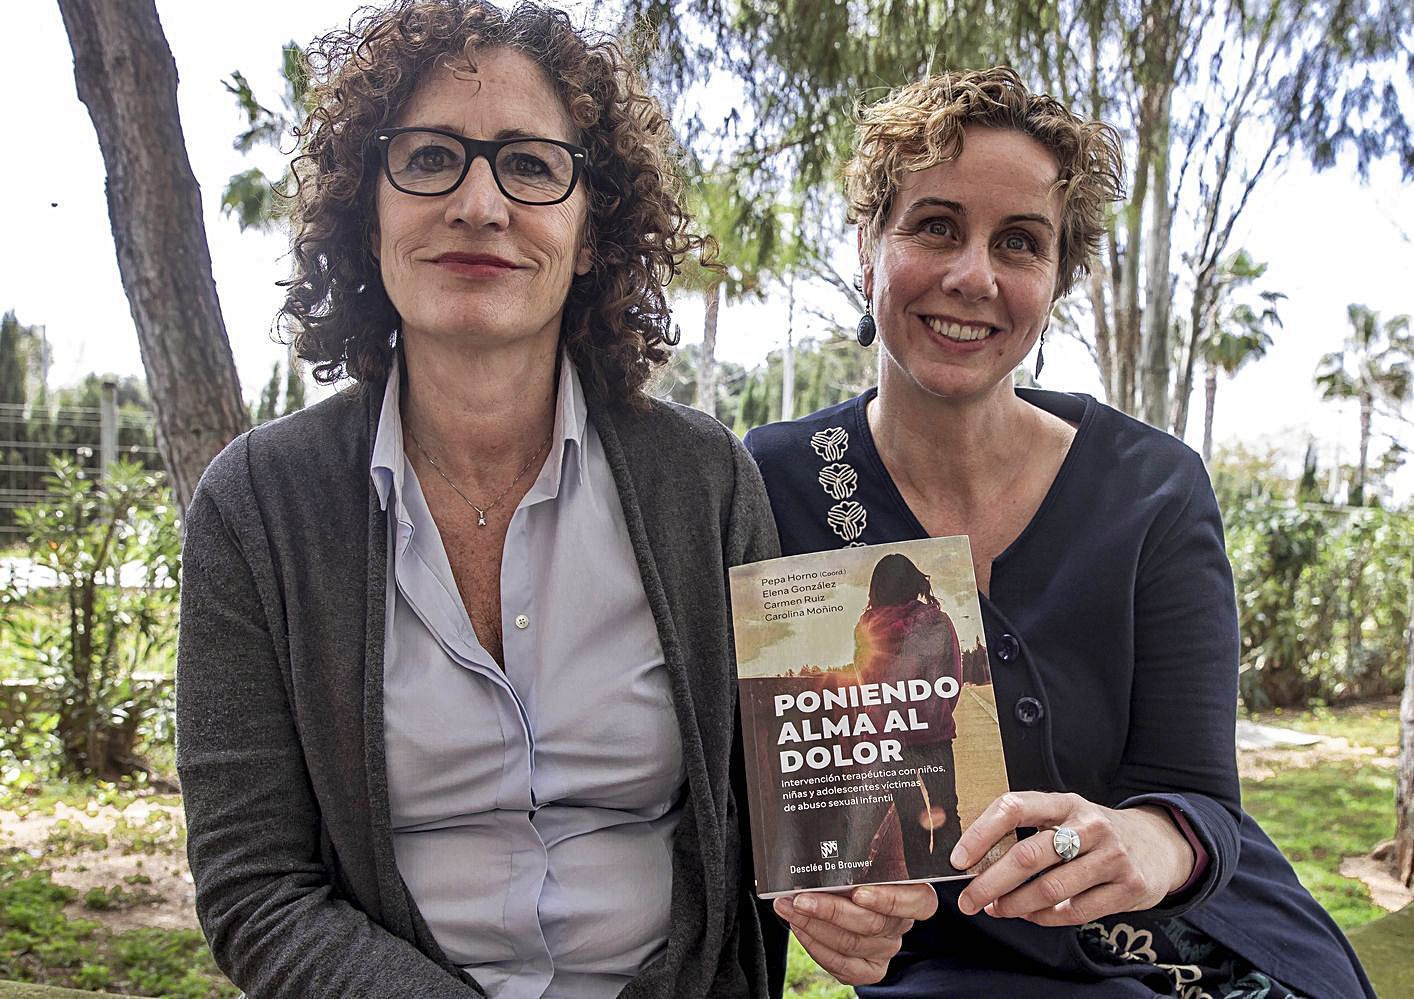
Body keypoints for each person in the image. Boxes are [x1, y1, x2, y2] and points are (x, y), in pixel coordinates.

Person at [174, 2, 933, 996]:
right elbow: (257, 891)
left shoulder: (703, 482)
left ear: (589, 235)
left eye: (531, 165)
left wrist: (857, 898)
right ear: (370, 217)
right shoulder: (260, 506)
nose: (480, 204)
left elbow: (785, 825)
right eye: (430, 157)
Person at [745, 67, 1374, 998]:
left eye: (1020, 242)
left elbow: (1203, 799)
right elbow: (760, 795)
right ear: (869, 251)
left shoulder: (1153, 487)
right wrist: (828, 906)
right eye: (935, 226)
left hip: (1211, 953)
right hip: (956, 971)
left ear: (1056, 278)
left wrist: (1152, 843)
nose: (973, 275)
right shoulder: (773, 482)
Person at [852, 553, 964, 876]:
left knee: (909, 817)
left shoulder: (865, 627)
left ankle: (922, 882)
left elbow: (864, 682)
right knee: (947, 812)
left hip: (889, 741)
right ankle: (952, 882)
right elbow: (951, 679)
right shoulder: (936, 621)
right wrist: (937, 714)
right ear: (914, 581)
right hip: (934, 735)